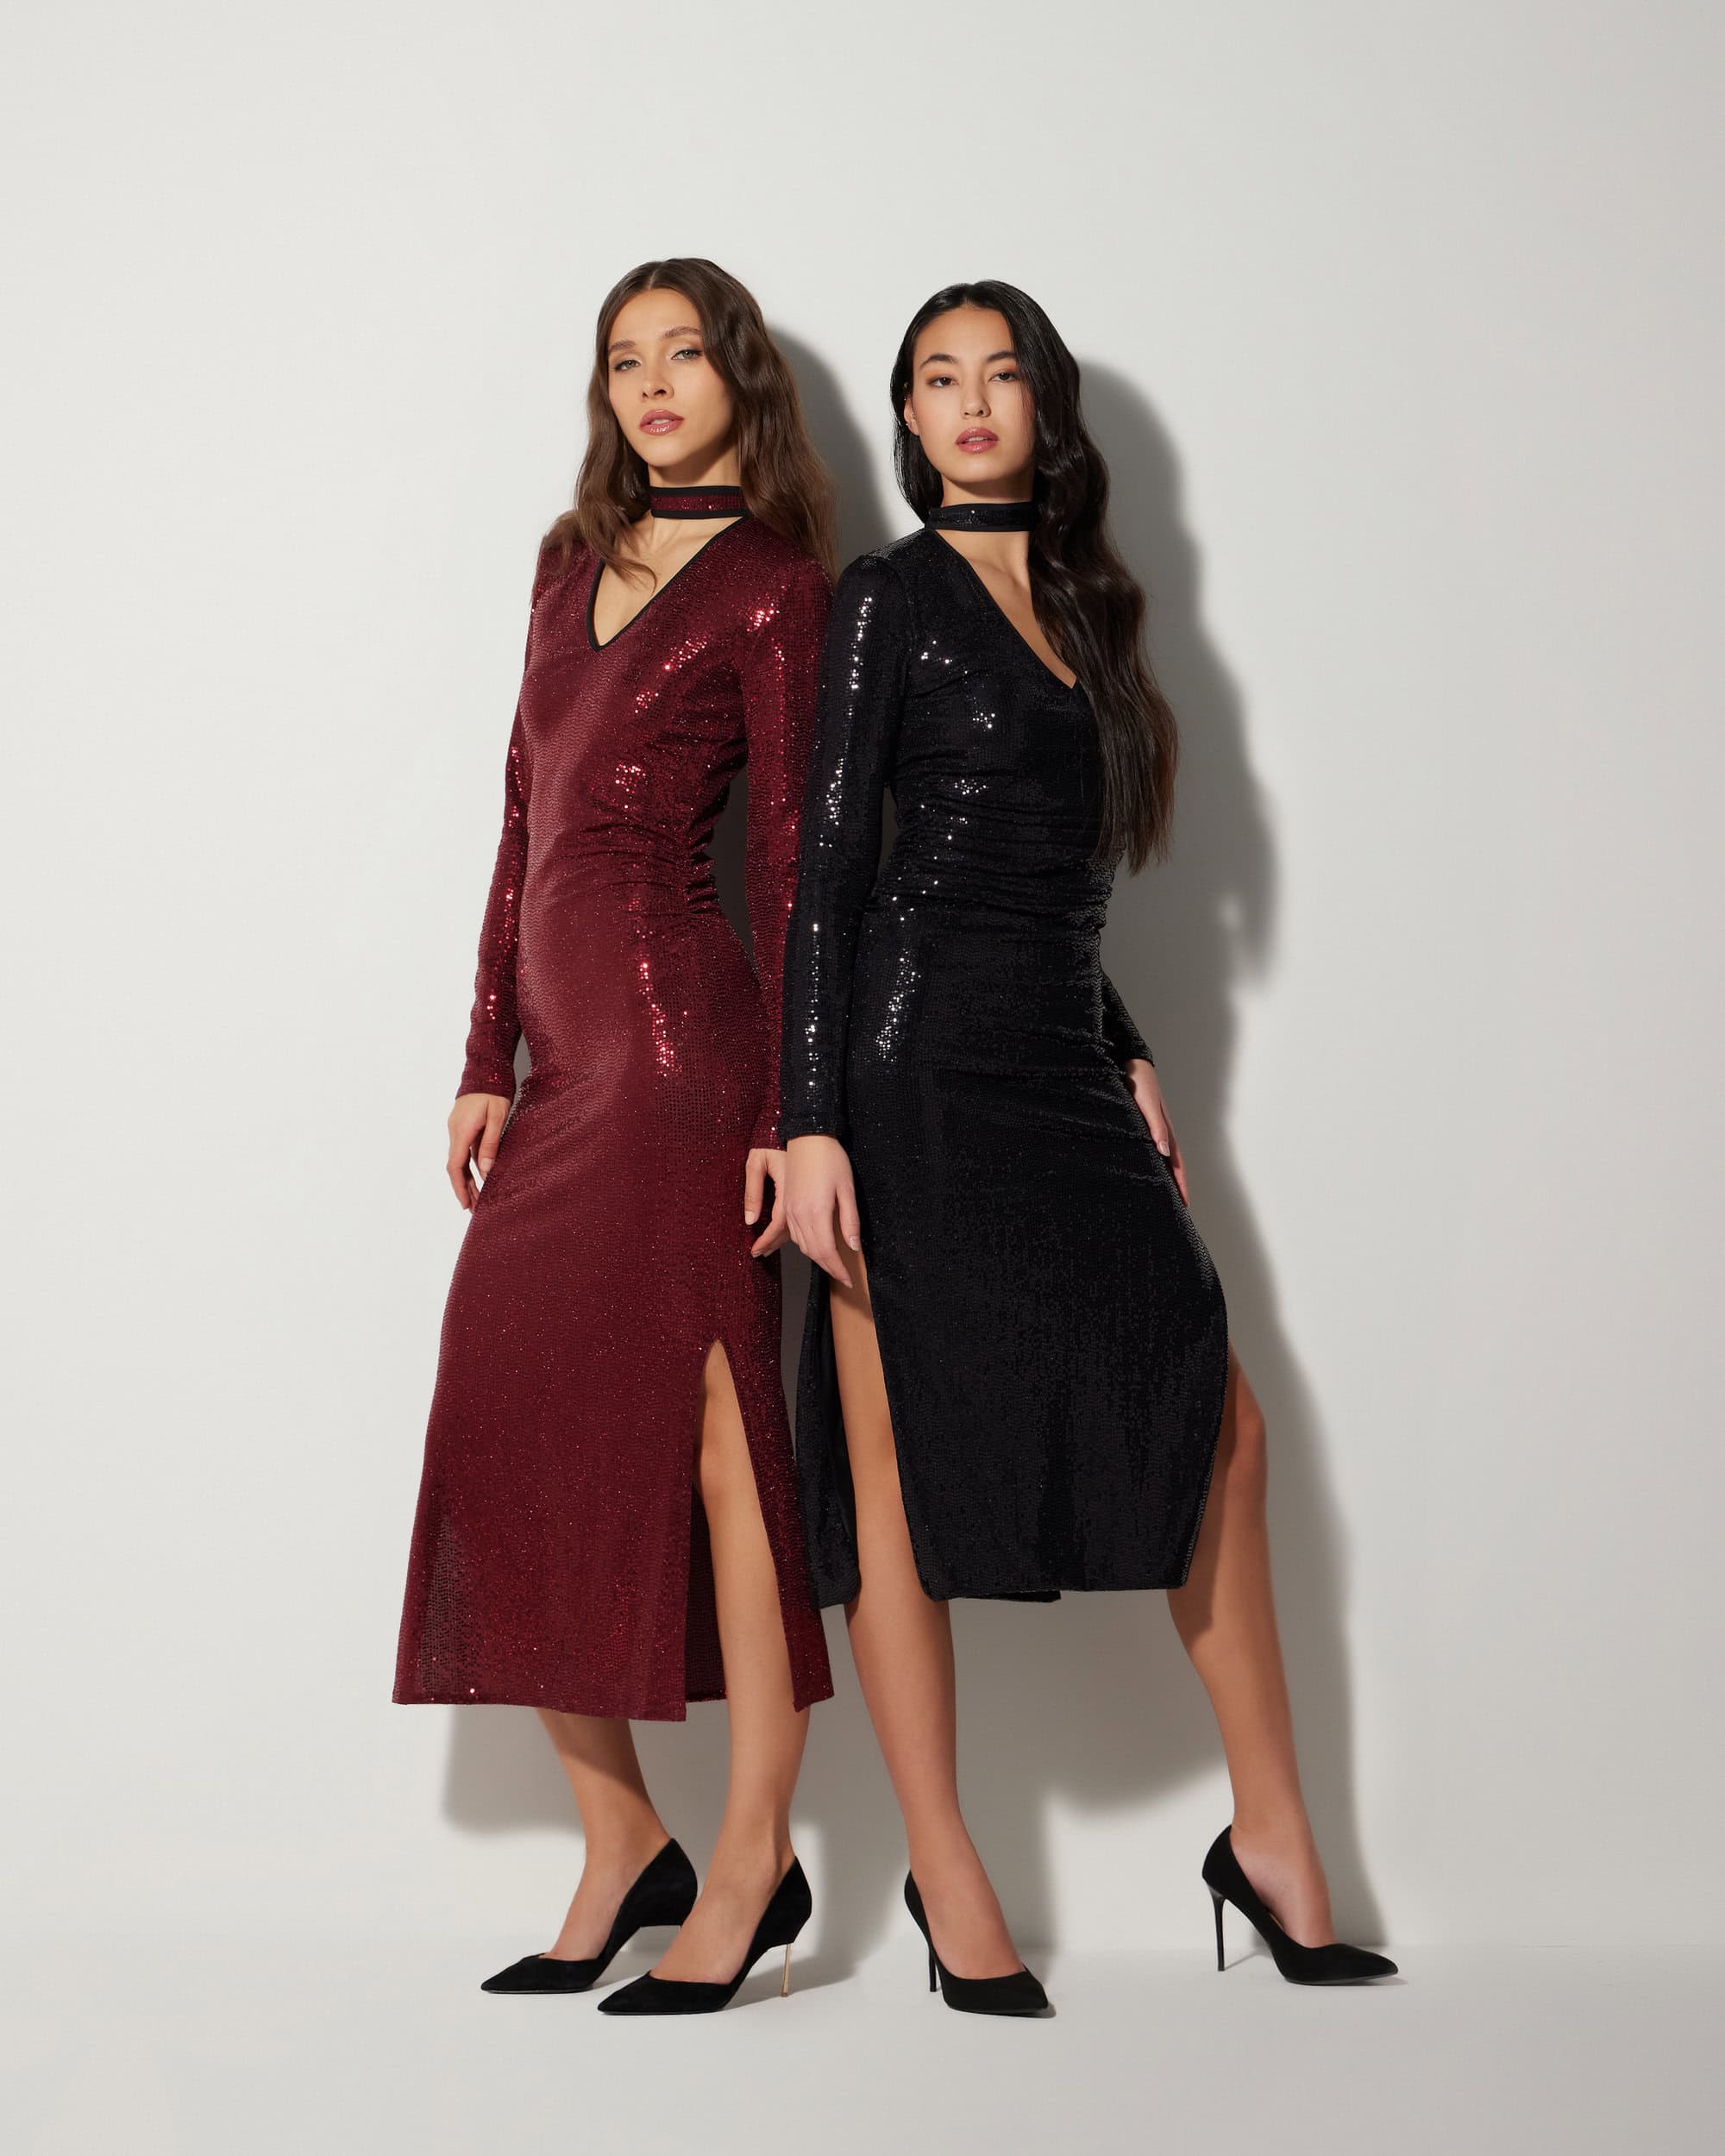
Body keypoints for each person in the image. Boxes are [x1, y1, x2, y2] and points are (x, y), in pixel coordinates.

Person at [780, 279, 1396, 2015]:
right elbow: (832, 874)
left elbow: (1045, 882)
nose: (971, 401)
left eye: (1002, 374)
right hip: (907, 1069)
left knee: (1219, 1423)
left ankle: (1272, 1837)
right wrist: (810, 1115)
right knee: (896, 1472)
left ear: (1044, 409)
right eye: (938, 377)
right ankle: (946, 1868)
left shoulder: (1082, 605)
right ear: (910, 418)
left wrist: (1120, 1046)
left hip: (1056, 1057)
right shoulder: (888, 595)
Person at [394, 258, 833, 2015]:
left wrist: (795, 1106)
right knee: (498, 1418)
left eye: (683, 355)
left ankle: (754, 1856)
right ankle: (621, 1837)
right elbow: (521, 817)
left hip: (680, 1057)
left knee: (724, 1448)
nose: (650, 383)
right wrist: (483, 1051)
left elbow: (793, 862)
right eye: (622, 359)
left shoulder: (777, 587)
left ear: (739, 381)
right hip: (562, 1065)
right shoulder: (564, 563)